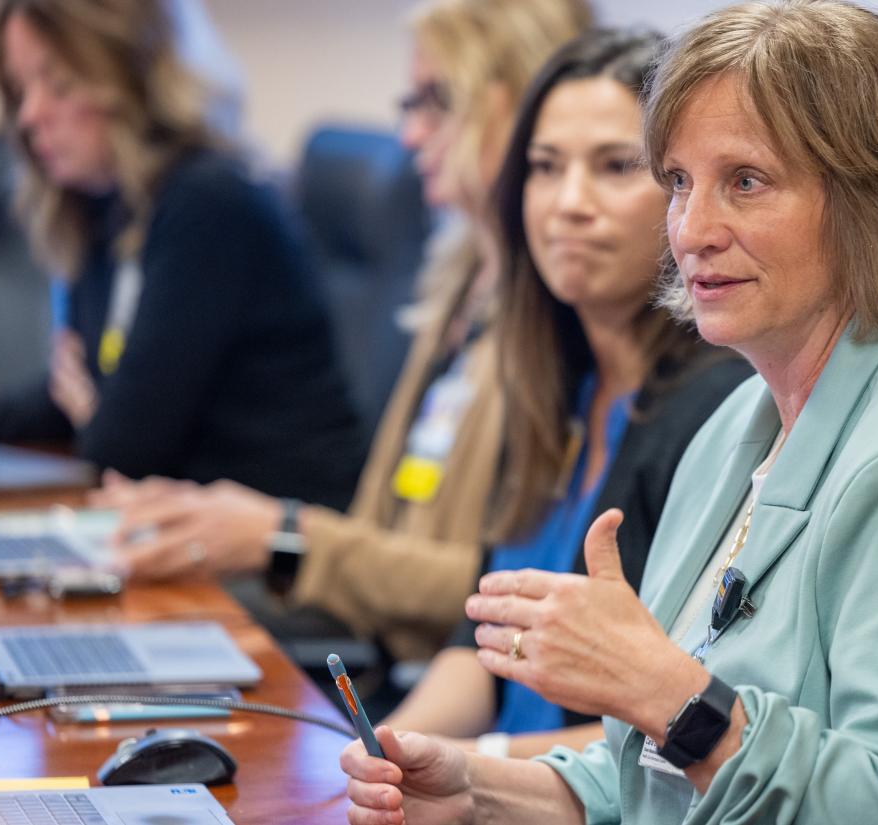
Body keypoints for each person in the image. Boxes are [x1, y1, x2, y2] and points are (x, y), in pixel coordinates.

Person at [339, 2, 878, 823]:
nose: (692, 229)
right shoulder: (733, 427)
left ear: (873, 199)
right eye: (679, 182)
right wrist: (480, 792)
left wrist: (672, 695)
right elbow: (658, 780)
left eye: (744, 182)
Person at [95, 0, 593, 665]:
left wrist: (284, 535)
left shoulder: (565, 317)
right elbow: (374, 533)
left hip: (433, 682)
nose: (411, 135)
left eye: (436, 101)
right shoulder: (460, 279)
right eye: (409, 103)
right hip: (378, 655)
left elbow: (502, 588)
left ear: (520, 104)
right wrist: (252, 527)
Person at [381, 29, 752, 760]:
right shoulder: (554, 378)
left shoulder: (719, 405)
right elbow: (480, 643)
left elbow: (673, 725)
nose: (568, 204)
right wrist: (382, 748)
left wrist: (471, 765)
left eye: (616, 166)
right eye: (545, 168)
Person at [0, 0, 364, 510]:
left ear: (130, 74)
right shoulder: (106, 205)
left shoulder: (209, 204)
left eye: (59, 84)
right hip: (180, 528)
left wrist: (95, 408)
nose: (30, 115)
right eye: (20, 89)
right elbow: (70, 397)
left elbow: (122, 449)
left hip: (276, 551)